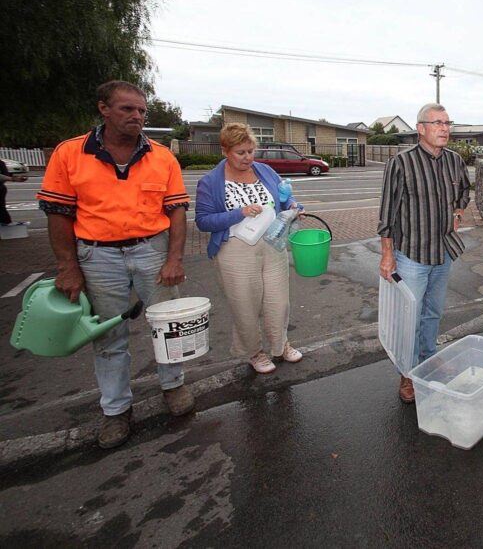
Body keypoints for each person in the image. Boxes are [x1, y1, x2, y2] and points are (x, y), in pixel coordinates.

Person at [37, 80, 194, 449]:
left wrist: (174, 258)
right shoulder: (70, 153)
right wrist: (67, 266)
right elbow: (58, 214)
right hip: (97, 255)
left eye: (141, 110)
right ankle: (116, 410)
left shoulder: (161, 157)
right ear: (104, 109)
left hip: (151, 251)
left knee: (167, 325)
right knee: (108, 336)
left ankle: (174, 386)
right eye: (127, 109)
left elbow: (176, 211)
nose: (136, 116)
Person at [378, 103, 470, 404]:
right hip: (412, 255)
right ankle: (407, 372)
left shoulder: (455, 161)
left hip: (443, 252)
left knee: (433, 313)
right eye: (437, 123)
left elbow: (464, 191)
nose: (444, 128)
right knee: (410, 318)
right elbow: (387, 212)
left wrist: (458, 210)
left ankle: (429, 358)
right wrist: (387, 255)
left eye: (447, 122)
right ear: (421, 129)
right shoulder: (401, 163)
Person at [195, 123, 303, 374]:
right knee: (245, 303)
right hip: (235, 250)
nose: (247, 158)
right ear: (225, 151)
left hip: (272, 243)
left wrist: (294, 205)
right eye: (240, 152)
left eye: (251, 151)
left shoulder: (265, 171)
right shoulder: (210, 181)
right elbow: (203, 221)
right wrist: (238, 213)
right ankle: (255, 352)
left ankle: (280, 344)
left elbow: (284, 197)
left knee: (278, 300)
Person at [0, 158, 28, 225]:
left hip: (0, 188)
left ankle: (6, 224)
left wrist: (12, 178)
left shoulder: (1, 163)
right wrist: (12, 178)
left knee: (1, 209)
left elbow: (5, 176)